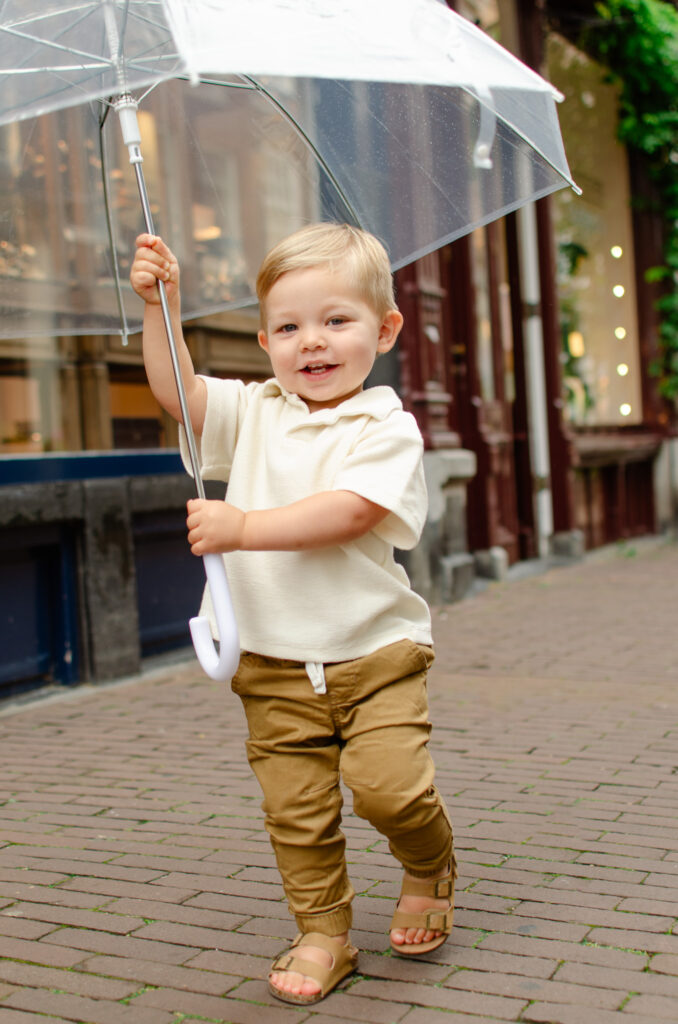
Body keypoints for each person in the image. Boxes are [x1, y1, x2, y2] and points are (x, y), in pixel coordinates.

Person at [130, 222, 456, 1006]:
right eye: (288, 326)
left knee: (390, 790)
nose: (311, 342)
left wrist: (244, 528)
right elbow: (180, 395)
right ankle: (324, 933)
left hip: (374, 652)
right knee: (297, 813)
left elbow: (348, 512)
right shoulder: (254, 412)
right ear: (266, 339)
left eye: (335, 321)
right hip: (272, 663)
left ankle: (428, 861)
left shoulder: (386, 426)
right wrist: (160, 309)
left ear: (383, 330)